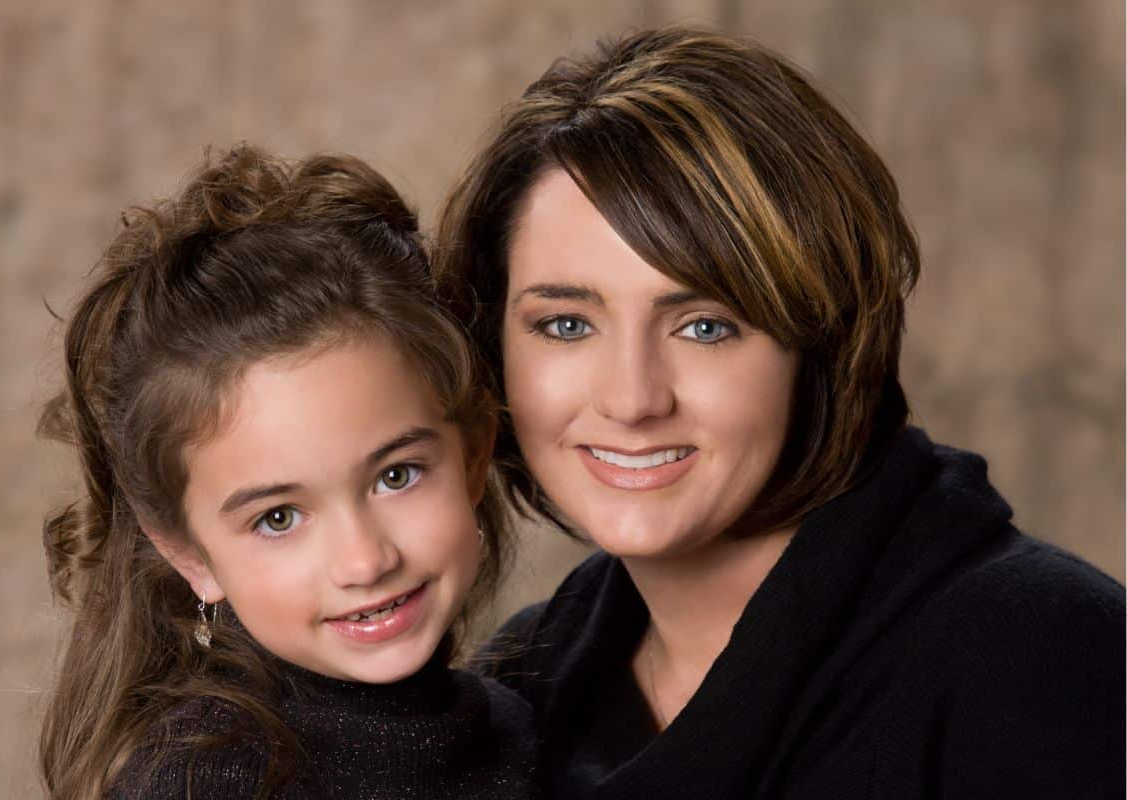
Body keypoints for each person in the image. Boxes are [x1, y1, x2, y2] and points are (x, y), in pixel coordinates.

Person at [434, 26, 1125, 799]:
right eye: (566, 324)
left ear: (818, 341)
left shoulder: (1053, 659)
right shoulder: (522, 685)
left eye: (705, 327)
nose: (631, 399)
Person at [37, 144, 538, 799]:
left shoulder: (517, 727)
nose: (364, 561)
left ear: (473, 451)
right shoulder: (208, 783)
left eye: (396, 476)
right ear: (191, 557)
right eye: (278, 518)